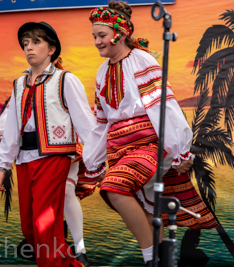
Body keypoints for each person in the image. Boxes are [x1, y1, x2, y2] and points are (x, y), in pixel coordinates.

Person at [83, 2, 218, 266]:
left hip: (147, 144)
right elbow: (101, 122)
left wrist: (179, 151)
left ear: (119, 34)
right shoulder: (101, 72)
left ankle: (150, 260)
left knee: (116, 188)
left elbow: (163, 105)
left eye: (101, 35)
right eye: (94, 36)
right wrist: (94, 160)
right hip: (118, 149)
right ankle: (161, 259)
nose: (97, 41)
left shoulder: (141, 59)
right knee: (136, 202)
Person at [0, 21, 95, 266]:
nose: (29, 48)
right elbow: (10, 128)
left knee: (45, 225)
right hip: (25, 161)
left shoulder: (65, 80)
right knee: (30, 228)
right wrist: (2, 166)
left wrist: (97, 162)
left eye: (36, 42)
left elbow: (86, 124)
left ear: (51, 49)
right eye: (25, 43)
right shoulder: (20, 84)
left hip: (53, 159)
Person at [0, 107, 91, 267]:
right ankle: (49, 240)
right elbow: (12, 114)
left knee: (66, 192)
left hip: (61, 144)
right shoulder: (23, 85)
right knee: (37, 211)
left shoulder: (64, 81)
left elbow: (81, 114)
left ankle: (80, 249)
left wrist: (96, 155)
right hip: (31, 152)